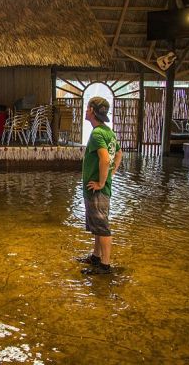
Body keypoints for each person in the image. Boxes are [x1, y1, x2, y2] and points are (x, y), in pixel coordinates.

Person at [78, 97, 122, 275]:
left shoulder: (97, 134)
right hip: (100, 189)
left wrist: (102, 182)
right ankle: (96, 257)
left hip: (98, 190)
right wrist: (112, 173)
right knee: (98, 224)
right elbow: (119, 153)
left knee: (102, 227)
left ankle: (105, 265)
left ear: (93, 111)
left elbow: (105, 158)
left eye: (88, 107)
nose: (86, 110)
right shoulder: (107, 132)